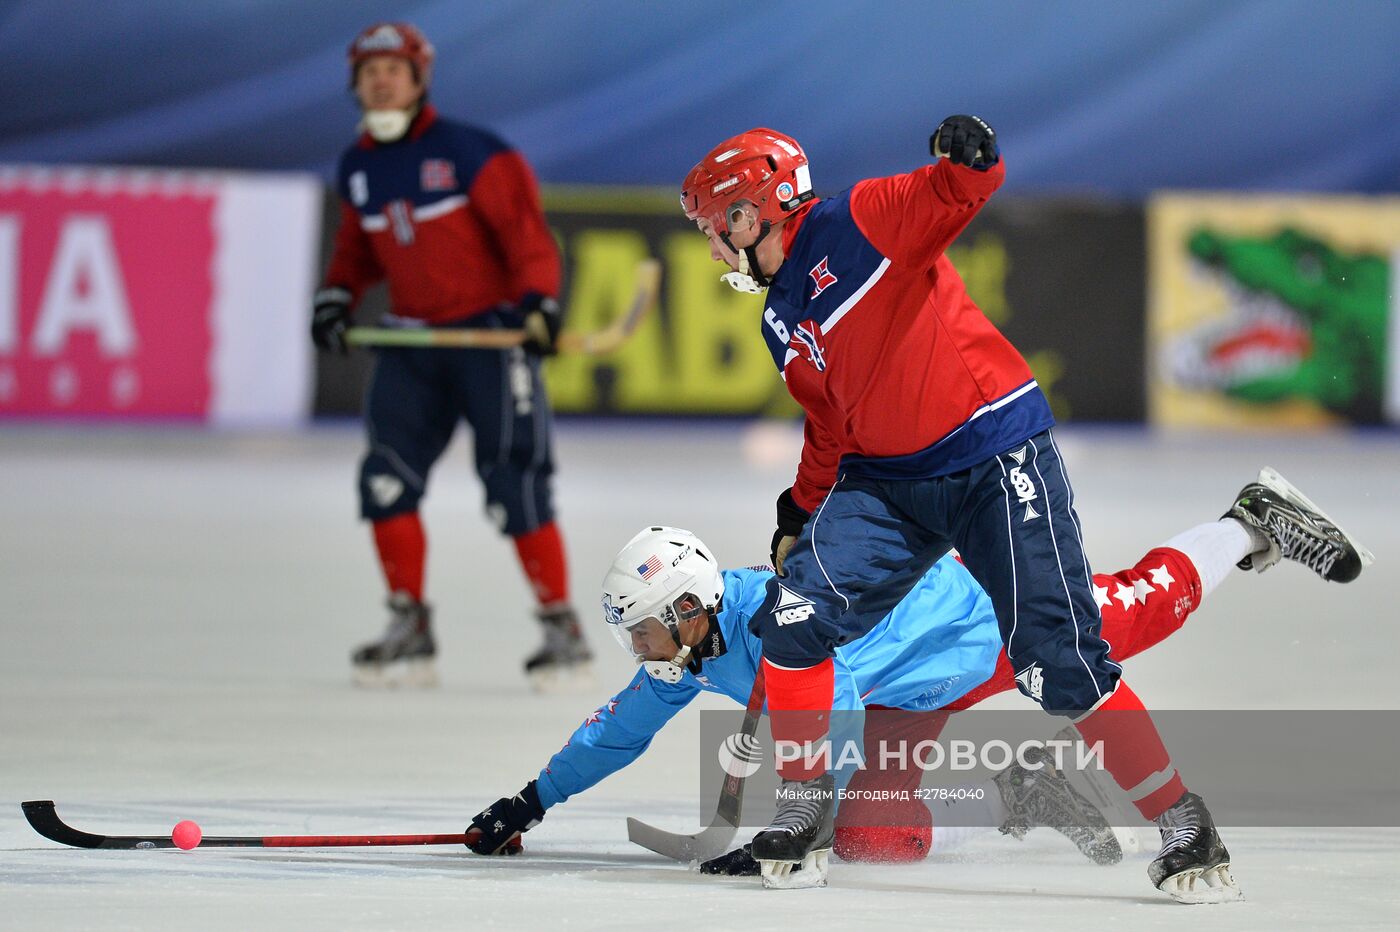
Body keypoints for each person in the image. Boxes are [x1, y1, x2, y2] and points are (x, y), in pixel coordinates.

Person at [673, 122, 1371, 895]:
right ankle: (802, 812)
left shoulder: (859, 218)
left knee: (1062, 660)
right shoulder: (779, 315)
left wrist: (972, 155)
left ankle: (1185, 825)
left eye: (715, 226)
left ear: (754, 212)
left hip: (990, 458)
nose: (712, 248)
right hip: (884, 483)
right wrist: (800, 509)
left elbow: (958, 188)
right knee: (795, 619)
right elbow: (832, 420)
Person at [463, 469, 1370, 903]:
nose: (643, 648)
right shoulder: (689, 651)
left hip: (979, 625)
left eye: (649, 627)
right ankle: (1021, 788)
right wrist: (530, 799)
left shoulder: (776, 622)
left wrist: (790, 823)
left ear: (694, 607)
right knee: (881, 840)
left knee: (1134, 608)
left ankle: (1248, 523)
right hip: (909, 690)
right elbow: (619, 728)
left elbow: (838, 708)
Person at [310, 22, 590, 690]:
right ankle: (409, 623)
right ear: (356, 83)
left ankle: (561, 627)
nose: (382, 80)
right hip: (412, 344)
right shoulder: (359, 166)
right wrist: (336, 295)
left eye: (394, 69)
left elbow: (526, 237)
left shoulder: (473, 153)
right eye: (370, 70)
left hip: (489, 343)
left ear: (418, 79)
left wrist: (538, 304)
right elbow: (356, 249)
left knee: (514, 488)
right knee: (385, 480)